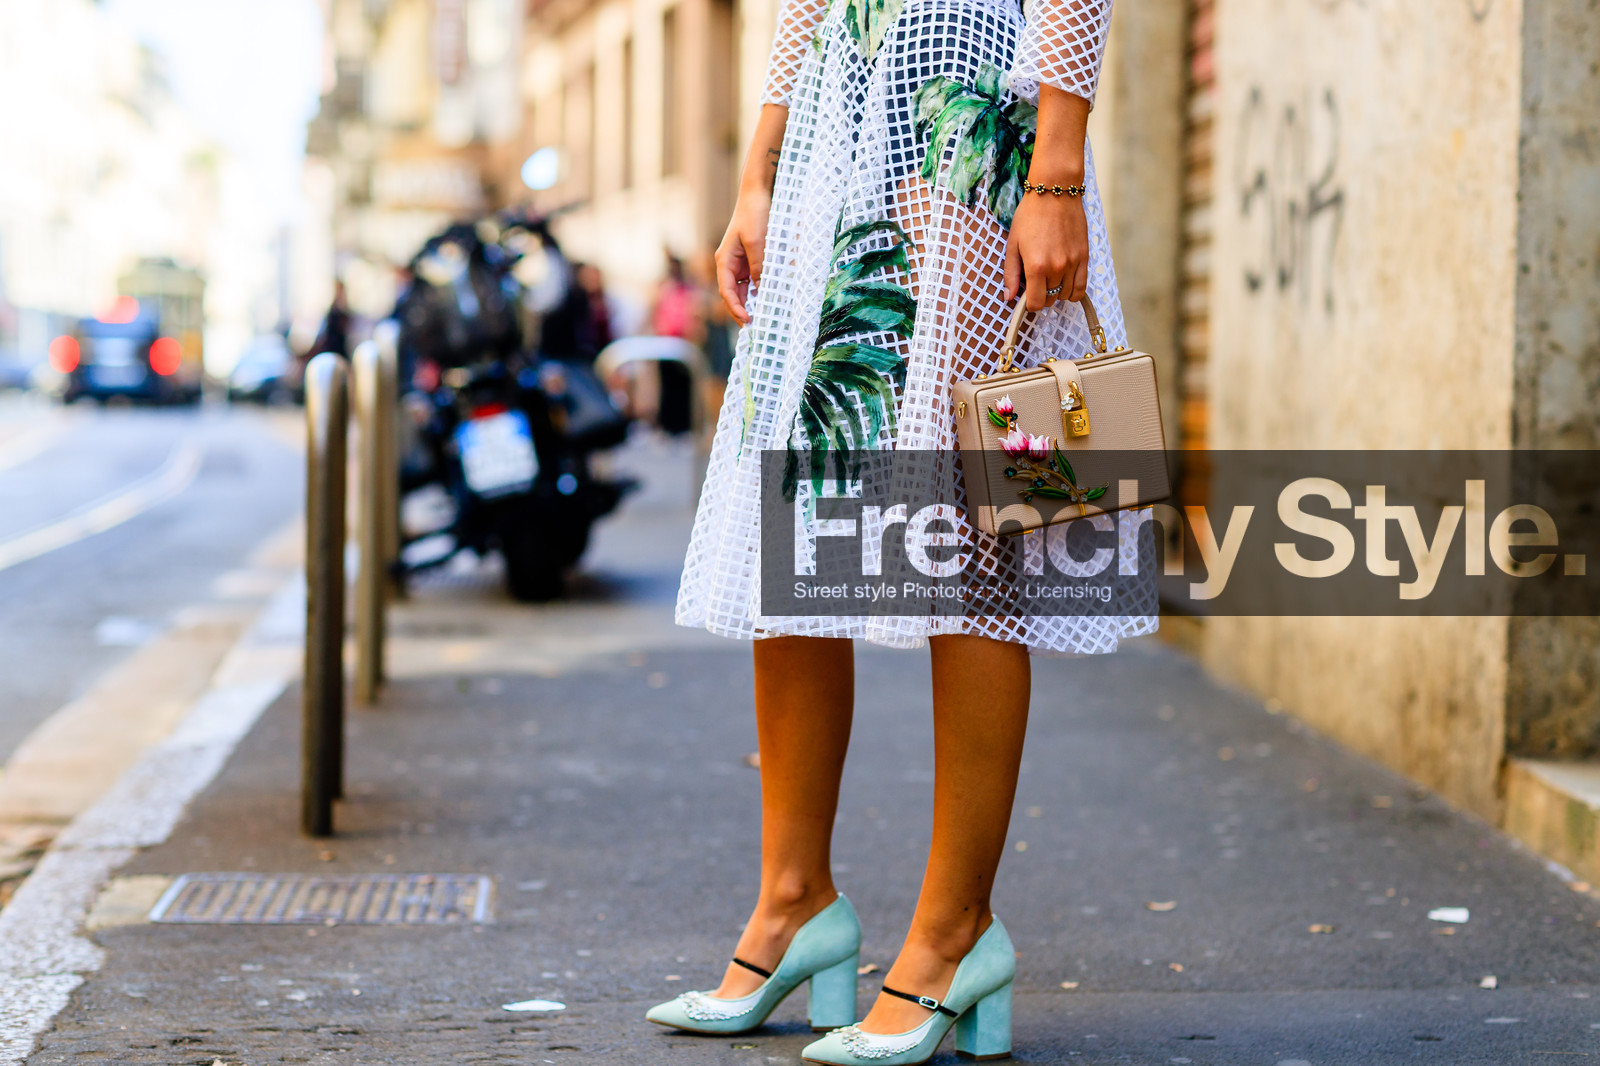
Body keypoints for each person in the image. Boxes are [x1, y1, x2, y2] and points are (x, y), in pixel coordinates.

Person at [652, 0, 1146, 1062]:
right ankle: (794, 902)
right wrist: (760, 172)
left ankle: (955, 934)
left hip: (966, 109)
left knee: (969, 523)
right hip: (837, 126)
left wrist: (1056, 173)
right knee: (803, 500)